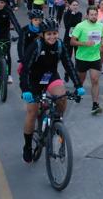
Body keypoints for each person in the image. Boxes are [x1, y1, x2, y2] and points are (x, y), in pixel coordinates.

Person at [19, 19, 85, 163]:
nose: (52, 37)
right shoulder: (36, 46)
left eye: (54, 33)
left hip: (50, 76)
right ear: (43, 35)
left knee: (62, 97)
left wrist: (78, 85)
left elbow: (68, 64)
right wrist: (25, 89)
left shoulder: (60, 44)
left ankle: (57, 122)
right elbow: (24, 70)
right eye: (49, 34)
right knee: (32, 112)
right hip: (34, 79)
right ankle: (28, 146)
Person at [70, 5, 103, 115]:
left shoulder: (100, 25)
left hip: (95, 57)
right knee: (81, 80)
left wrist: (102, 45)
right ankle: (78, 91)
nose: (94, 16)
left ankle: (95, 104)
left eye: (95, 14)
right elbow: (72, 41)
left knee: (95, 80)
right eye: (92, 14)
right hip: (82, 58)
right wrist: (85, 43)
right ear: (87, 15)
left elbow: (102, 37)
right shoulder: (80, 26)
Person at [17, 9, 45, 81]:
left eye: (40, 20)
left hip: (41, 53)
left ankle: (44, 88)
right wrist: (22, 58)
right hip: (28, 54)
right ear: (31, 20)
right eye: (35, 20)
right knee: (24, 72)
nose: (38, 22)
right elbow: (21, 45)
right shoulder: (25, 30)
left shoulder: (44, 29)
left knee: (45, 73)